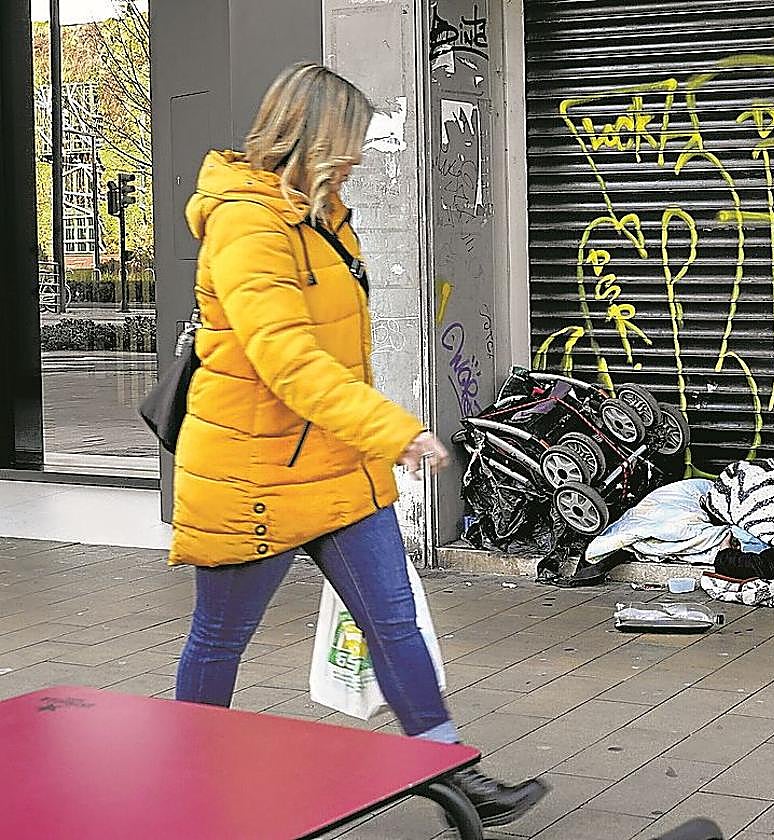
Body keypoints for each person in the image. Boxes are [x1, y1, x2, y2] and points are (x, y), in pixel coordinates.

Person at [169, 62, 547, 828]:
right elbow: (289, 361)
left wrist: (371, 435)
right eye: (349, 143)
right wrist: (396, 430)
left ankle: (451, 775)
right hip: (256, 475)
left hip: (335, 463)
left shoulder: (323, 214)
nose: (360, 159)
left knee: (394, 622)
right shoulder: (246, 222)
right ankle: (185, 775)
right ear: (308, 136)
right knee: (219, 639)